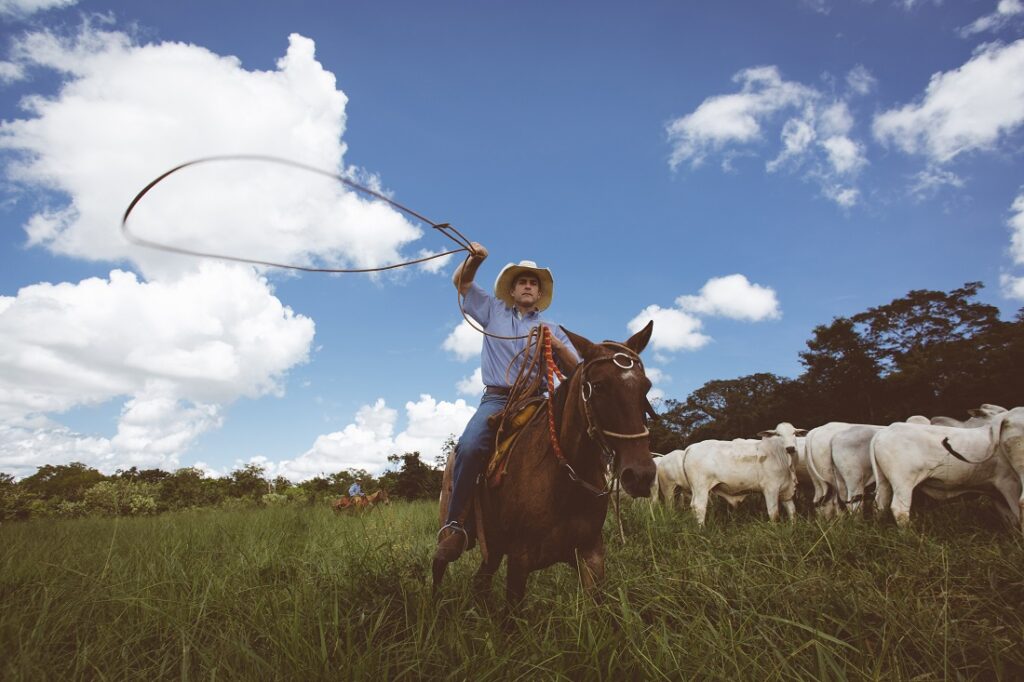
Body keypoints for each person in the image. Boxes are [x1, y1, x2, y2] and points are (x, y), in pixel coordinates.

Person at [434, 242, 579, 564]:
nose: (528, 286)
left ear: (539, 293)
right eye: (522, 282)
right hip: (498, 398)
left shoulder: (552, 328)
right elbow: (462, 283)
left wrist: (555, 345)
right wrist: (475, 259)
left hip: (538, 400)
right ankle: (456, 524)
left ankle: (577, 522)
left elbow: (575, 371)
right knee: (470, 447)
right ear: (512, 291)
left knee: (578, 442)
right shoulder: (491, 310)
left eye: (533, 283)